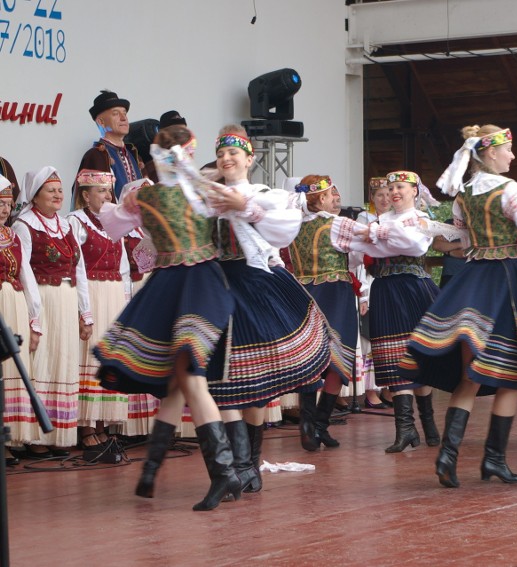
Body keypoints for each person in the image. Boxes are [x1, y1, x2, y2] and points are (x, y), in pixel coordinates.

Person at [93, 125, 240, 511]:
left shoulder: (193, 191)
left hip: (200, 284)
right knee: (178, 381)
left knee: (189, 376)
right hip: (177, 283)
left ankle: (223, 472)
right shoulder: (155, 195)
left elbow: (112, 223)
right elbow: (112, 223)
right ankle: (152, 470)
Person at [399, 124, 517, 488]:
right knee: (511, 376)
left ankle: (448, 456)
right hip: (509, 280)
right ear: (492, 152)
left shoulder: (464, 193)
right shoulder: (509, 189)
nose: (512, 156)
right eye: (508, 149)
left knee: (469, 377)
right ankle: (493, 460)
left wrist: (434, 229)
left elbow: (464, 238)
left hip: (474, 277)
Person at [206, 125, 330, 492]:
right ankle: (237, 467)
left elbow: (284, 227)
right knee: (223, 379)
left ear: (250, 158)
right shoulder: (208, 198)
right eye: (222, 154)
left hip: (255, 286)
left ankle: (249, 464)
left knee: (255, 382)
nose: (227, 159)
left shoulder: (263, 193)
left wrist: (247, 208)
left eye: (234, 153)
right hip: (217, 289)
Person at [13, 167, 94, 457]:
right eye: (51, 190)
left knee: (64, 362)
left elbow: (79, 269)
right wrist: (34, 317)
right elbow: (24, 272)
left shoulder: (65, 224)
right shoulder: (24, 225)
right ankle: (35, 437)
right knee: (43, 363)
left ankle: (59, 433)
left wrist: (85, 312)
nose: (59, 194)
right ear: (35, 196)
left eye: (60, 190)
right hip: (43, 298)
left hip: (66, 297)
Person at [289, 175, 372, 451]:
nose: (335, 197)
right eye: (331, 193)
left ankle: (309, 425)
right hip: (334, 294)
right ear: (321, 198)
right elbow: (369, 240)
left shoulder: (293, 225)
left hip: (304, 295)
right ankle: (320, 424)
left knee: (311, 359)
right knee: (340, 357)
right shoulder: (337, 224)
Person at [366, 170, 442, 452]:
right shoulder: (380, 220)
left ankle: (429, 422)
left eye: (400, 187)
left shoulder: (421, 220)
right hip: (385, 288)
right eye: (391, 187)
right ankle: (405, 429)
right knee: (392, 356)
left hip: (413, 288)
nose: (394, 191)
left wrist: (381, 237)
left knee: (417, 357)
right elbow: (366, 248)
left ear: (414, 191)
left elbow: (415, 244)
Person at [67, 169, 132, 452]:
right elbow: (77, 268)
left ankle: (104, 424)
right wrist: (85, 310)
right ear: (84, 195)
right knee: (90, 357)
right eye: (100, 191)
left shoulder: (113, 221)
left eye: (108, 191)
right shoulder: (75, 222)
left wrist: (128, 306)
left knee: (108, 358)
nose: (107, 196)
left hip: (113, 293)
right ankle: (87, 426)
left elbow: (125, 267)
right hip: (92, 291)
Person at [353, 177, 393, 408]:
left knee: (387, 334)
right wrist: (363, 292)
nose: (385, 199)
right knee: (369, 337)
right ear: (372, 198)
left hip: (386, 278)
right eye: (380, 195)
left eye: (388, 195)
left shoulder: (394, 219)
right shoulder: (364, 220)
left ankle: (388, 387)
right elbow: (360, 260)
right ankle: (371, 390)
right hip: (369, 278)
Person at [0, 174, 32, 466]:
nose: (4, 210)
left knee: (11, 366)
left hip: (13, 300)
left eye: (8, 204)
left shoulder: (11, 234)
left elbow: (23, 271)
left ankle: (10, 440)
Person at [74, 90, 147, 202]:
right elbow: (92, 204)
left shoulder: (133, 153)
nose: (124, 118)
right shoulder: (96, 155)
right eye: (116, 114)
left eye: (125, 113)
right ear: (101, 122)